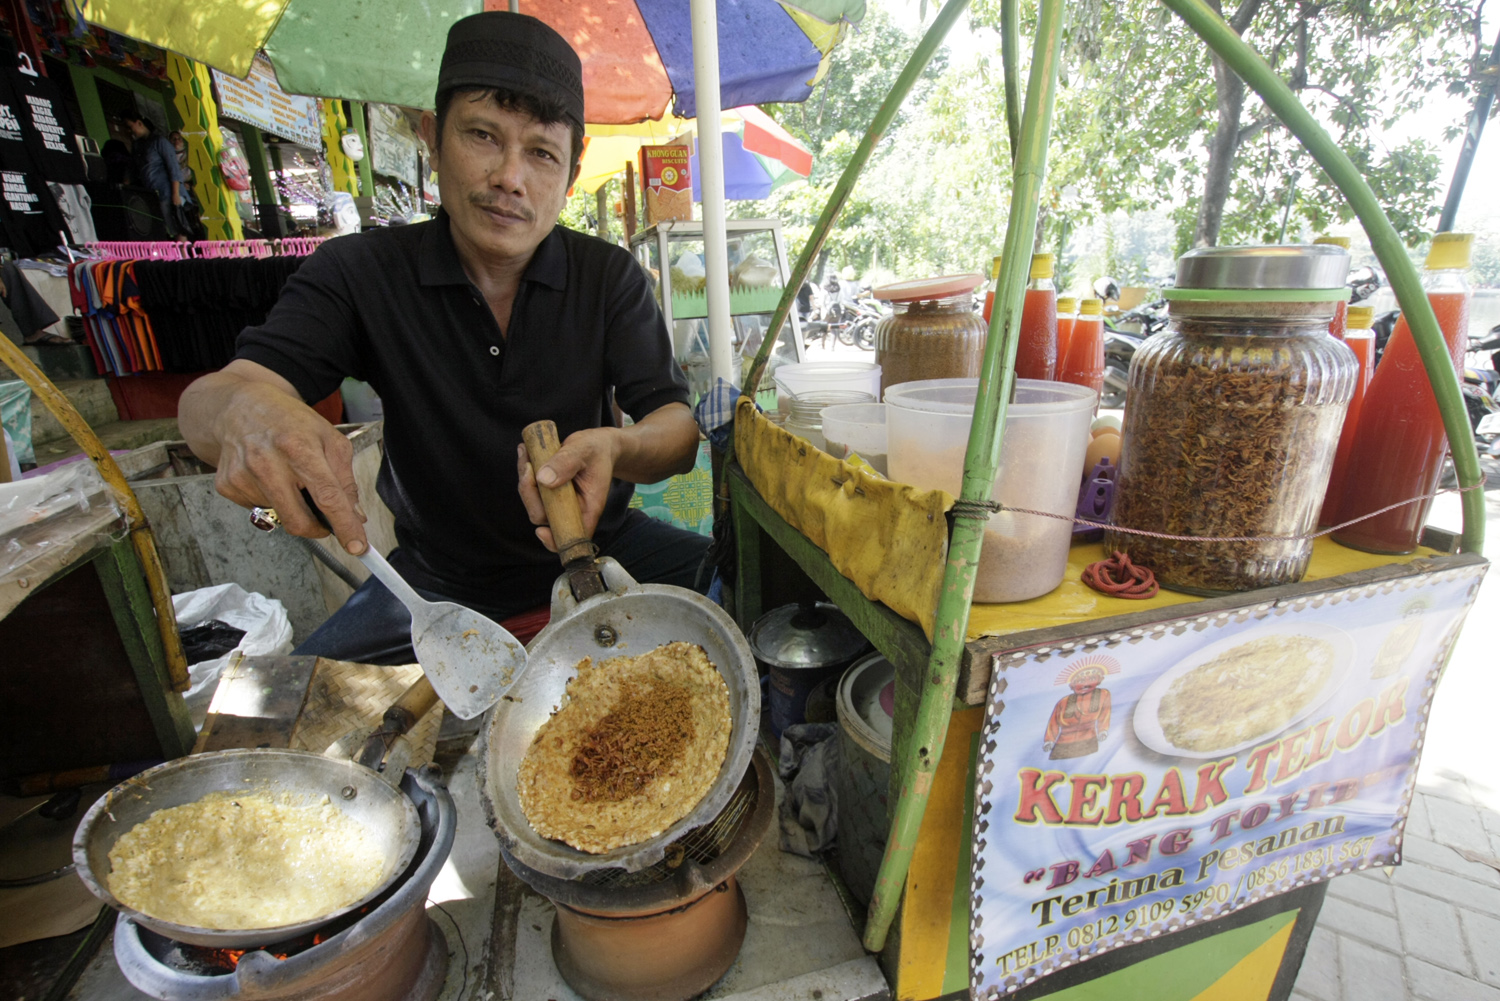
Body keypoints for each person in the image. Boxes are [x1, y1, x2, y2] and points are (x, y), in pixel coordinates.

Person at [178, 11, 709, 665]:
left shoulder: (609, 277)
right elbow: (218, 396)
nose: (510, 177)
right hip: (434, 585)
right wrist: (245, 411)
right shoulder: (359, 271)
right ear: (433, 137)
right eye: (482, 136)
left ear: (573, 169)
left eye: (541, 152)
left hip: (607, 549)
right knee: (298, 714)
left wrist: (619, 445)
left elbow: (678, 429)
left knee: (747, 600)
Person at [121, 112, 188, 241]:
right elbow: (132, 169)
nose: (129, 131)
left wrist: (175, 194)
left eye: (130, 127)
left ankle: (184, 259)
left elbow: (173, 168)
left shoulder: (159, 141)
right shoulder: (137, 146)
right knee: (160, 229)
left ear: (139, 123)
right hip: (151, 195)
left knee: (177, 228)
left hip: (169, 192)